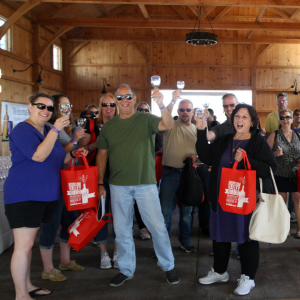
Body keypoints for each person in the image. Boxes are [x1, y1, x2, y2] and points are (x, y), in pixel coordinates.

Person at [4, 92, 87, 299]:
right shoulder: (23, 130)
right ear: (30, 106)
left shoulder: (48, 130)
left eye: (50, 108)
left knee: (28, 244)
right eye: (41, 106)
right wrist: (57, 129)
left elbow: (59, 157)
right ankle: (21, 295)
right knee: (23, 246)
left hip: (45, 193)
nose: (46, 111)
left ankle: (27, 285)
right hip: (24, 194)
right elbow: (38, 156)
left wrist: (75, 153)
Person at [97, 84, 179, 287]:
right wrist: (100, 182)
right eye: (120, 97)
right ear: (116, 100)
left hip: (146, 185)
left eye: (128, 96)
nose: (124, 100)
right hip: (118, 186)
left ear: (134, 98)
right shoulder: (108, 126)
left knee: (157, 228)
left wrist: (161, 105)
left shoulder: (146, 119)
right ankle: (126, 269)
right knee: (122, 231)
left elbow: (168, 125)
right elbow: (102, 155)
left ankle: (168, 266)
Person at [196, 103, 277, 296]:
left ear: (252, 122)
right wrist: (200, 131)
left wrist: (248, 160)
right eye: (237, 116)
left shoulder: (257, 141)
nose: (239, 120)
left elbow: (270, 167)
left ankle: (248, 278)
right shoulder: (225, 139)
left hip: (245, 200)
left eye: (244, 117)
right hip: (222, 197)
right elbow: (206, 157)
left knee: (246, 237)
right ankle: (219, 271)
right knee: (220, 234)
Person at [39, 94, 86, 282]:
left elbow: (64, 154)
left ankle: (65, 261)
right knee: (51, 224)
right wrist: (74, 140)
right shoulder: (50, 129)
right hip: (53, 182)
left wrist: (75, 149)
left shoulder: (59, 129)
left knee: (69, 220)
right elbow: (52, 155)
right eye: (63, 105)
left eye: (68, 105)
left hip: (66, 181)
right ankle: (47, 268)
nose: (66, 108)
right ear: (54, 108)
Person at [80, 93, 119, 269]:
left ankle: (118, 252)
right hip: (97, 173)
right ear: (100, 106)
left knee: (120, 215)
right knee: (100, 214)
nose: (108, 108)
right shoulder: (92, 124)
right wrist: (102, 142)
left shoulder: (123, 123)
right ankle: (104, 253)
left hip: (120, 173)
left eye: (111, 104)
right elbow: (83, 148)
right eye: (105, 105)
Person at [160, 94, 198, 253]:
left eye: (188, 109)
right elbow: (164, 116)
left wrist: (198, 157)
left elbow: (204, 151)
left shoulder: (198, 130)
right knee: (165, 212)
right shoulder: (170, 126)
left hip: (189, 176)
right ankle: (162, 246)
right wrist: (173, 100)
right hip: (170, 174)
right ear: (178, 111)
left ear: (193, 112)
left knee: (186, 213)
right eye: (182, 109)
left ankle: (185, 241)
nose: (185, 112)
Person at [267, 108, 300, 237]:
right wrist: (275, 153)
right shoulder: (274, 134)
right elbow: (266, 154)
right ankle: (284, 228)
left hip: (295, 174)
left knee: (297, 199)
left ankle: (299, 229)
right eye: (282, 118)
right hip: (280, 173)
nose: (285, 120)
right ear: (279, 121)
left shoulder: (298, 135)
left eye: (287, 117)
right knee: (282, 201)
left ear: (292, 119)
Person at [133, 101, 163, 240]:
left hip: (149, 170)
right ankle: (142, 227)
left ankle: (150, 227)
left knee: (150, 202)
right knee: (134, 202)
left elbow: (159, 144)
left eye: (146, 110)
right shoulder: (130, 125)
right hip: (132, 170)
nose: (143, 112)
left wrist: (144, 148)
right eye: (141, 110)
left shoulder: (153, 126)